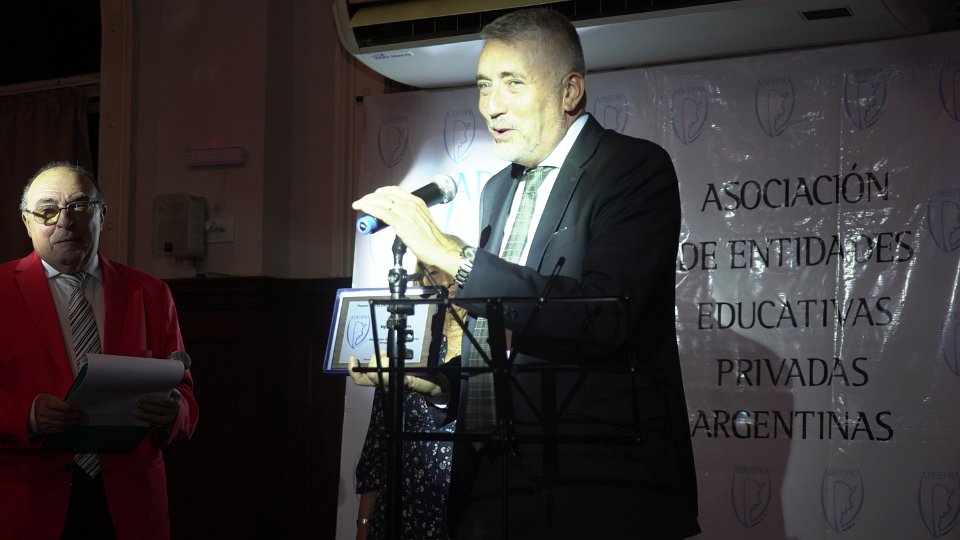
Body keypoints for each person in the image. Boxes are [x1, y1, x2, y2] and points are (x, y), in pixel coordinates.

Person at [352, 8, 700, 540]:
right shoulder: (497, 190)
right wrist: (442, 386)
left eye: (513, 82)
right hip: (491, 488)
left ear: (569, 91)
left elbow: (605, 316)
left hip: (598, 487)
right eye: (484, 85)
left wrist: (454, 254)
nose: (491, 105)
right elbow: (504, 343)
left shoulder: (632, 168)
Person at [0, 162, 199, 540]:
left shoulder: (150, 293)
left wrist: (175, 411)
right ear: (27, 222)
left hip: (129, 503)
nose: (65, 221)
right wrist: (27, 414)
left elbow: (185, 395)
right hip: (28, 501)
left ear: (102, 215)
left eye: (79, 206)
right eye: (47, 210)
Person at [349, 265, 466, 540]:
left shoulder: (482, 352)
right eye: (433, 273)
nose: (445, 282)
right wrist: (363, 525)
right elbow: (377, 446)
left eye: (451, 272)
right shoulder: (409, 352)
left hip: (460, 514)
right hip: (402, 511)